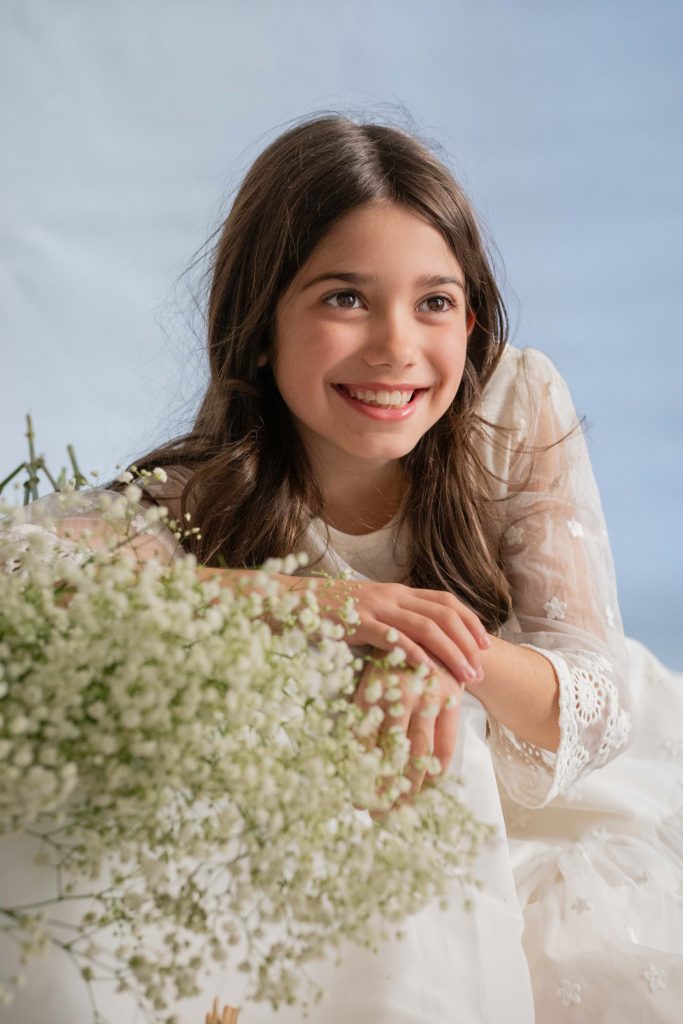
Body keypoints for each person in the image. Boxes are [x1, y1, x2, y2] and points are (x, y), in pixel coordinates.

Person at [3, 115, 682, 1023]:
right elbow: (27, 573)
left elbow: (591, 702)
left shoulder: (509, 409)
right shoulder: (201, 493)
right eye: (344, 299)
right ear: (258, 325)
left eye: (433, 302)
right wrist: (330, 605)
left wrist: (436, 649)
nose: (396, 346)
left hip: (542, 778)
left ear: (470, 319)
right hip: (346, 807)